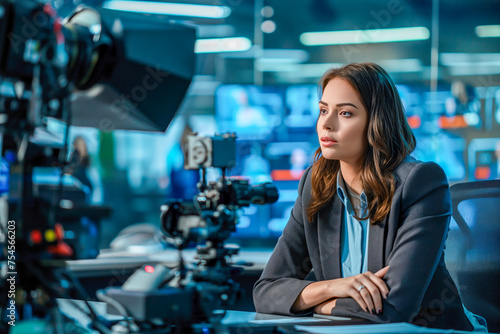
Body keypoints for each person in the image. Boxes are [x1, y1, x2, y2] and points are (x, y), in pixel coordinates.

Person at [253, 63, 487, 331]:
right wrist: (332, 287)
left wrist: (315, 303)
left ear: (376, 121)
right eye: (323, 110)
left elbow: (392, 310)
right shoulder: (316, 184)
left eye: (345, 113)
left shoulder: (420, 183)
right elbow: (266, 291)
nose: (327, 124)